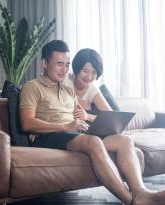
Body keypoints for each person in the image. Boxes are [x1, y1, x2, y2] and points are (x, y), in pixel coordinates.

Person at [19, 40, 165, 205]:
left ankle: (140, 192)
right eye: (59, 64)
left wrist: (85, 122)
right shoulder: (32, 87)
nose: (64, 69)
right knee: (93, 142)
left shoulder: (67, 89)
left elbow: (78, 115)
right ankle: (130, 201)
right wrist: (65, 126)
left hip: (74, 133)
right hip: (50, 136)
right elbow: (27, 122)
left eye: (67, 64)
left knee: (124, 140)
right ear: (44, 63)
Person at [65, 48, 112, 122]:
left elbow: (111, 117)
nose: (89, 77)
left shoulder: (93, 90)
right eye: (85, 71)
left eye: (94, 73)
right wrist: (77, 101)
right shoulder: (65, 79)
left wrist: (88, 116)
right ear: (77, 69)